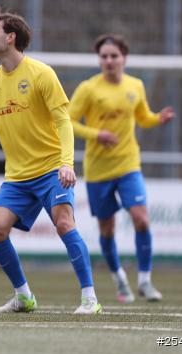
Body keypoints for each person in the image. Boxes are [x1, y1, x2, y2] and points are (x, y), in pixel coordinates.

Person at [0, 9, 102, 315]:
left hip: (52, 168)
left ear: (10, 38)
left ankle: (90, 298)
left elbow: (64, 122)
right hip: (17, 176)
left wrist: (67, 163)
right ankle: (23, 296)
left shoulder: (41, 74)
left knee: (65, 223)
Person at [69, 33, 174, 303]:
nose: (109, 60)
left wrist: (157, 119)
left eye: (114, 55)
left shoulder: (136, 86)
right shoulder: (88, 88)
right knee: (107, 230)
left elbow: (143, 117)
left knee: (142, 218)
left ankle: (146, 281)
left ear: (124, 58)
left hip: (128, 164)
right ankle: (119, 279)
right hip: (98, 170)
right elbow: (67, 122)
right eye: (104, 56)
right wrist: (96, 135)